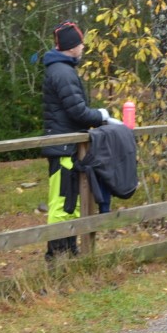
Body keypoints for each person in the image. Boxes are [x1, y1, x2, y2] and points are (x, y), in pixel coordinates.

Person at [41, 21, 114, 260]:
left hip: (66, 146)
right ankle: (57, 256)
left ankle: (69, 252)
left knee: (70, 201)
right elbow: (78, 112)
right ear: (72, 46)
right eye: (81, 43)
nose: (83, 47)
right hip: (62, 148)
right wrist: (102, 116)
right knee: (62, 201)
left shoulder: (63, 69)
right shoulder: (62, 72)